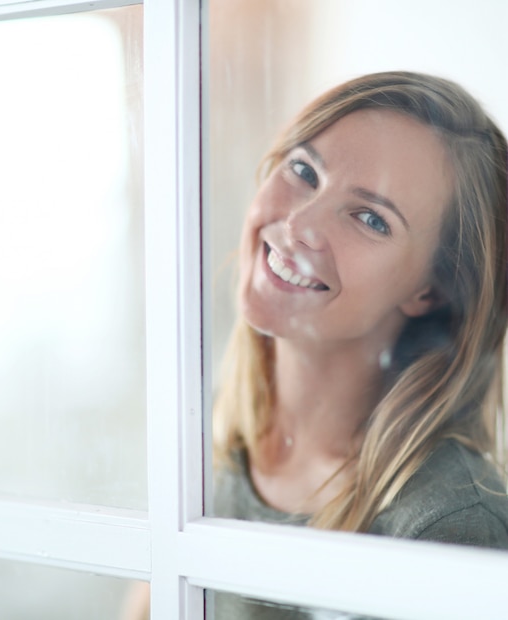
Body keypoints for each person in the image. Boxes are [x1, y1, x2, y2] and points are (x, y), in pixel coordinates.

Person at [124, 71, 508, 619]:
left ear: (431, 290)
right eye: (304, 170)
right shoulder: (205, 432)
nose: (298, 224)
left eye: (371, 218)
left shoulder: (450, 525)